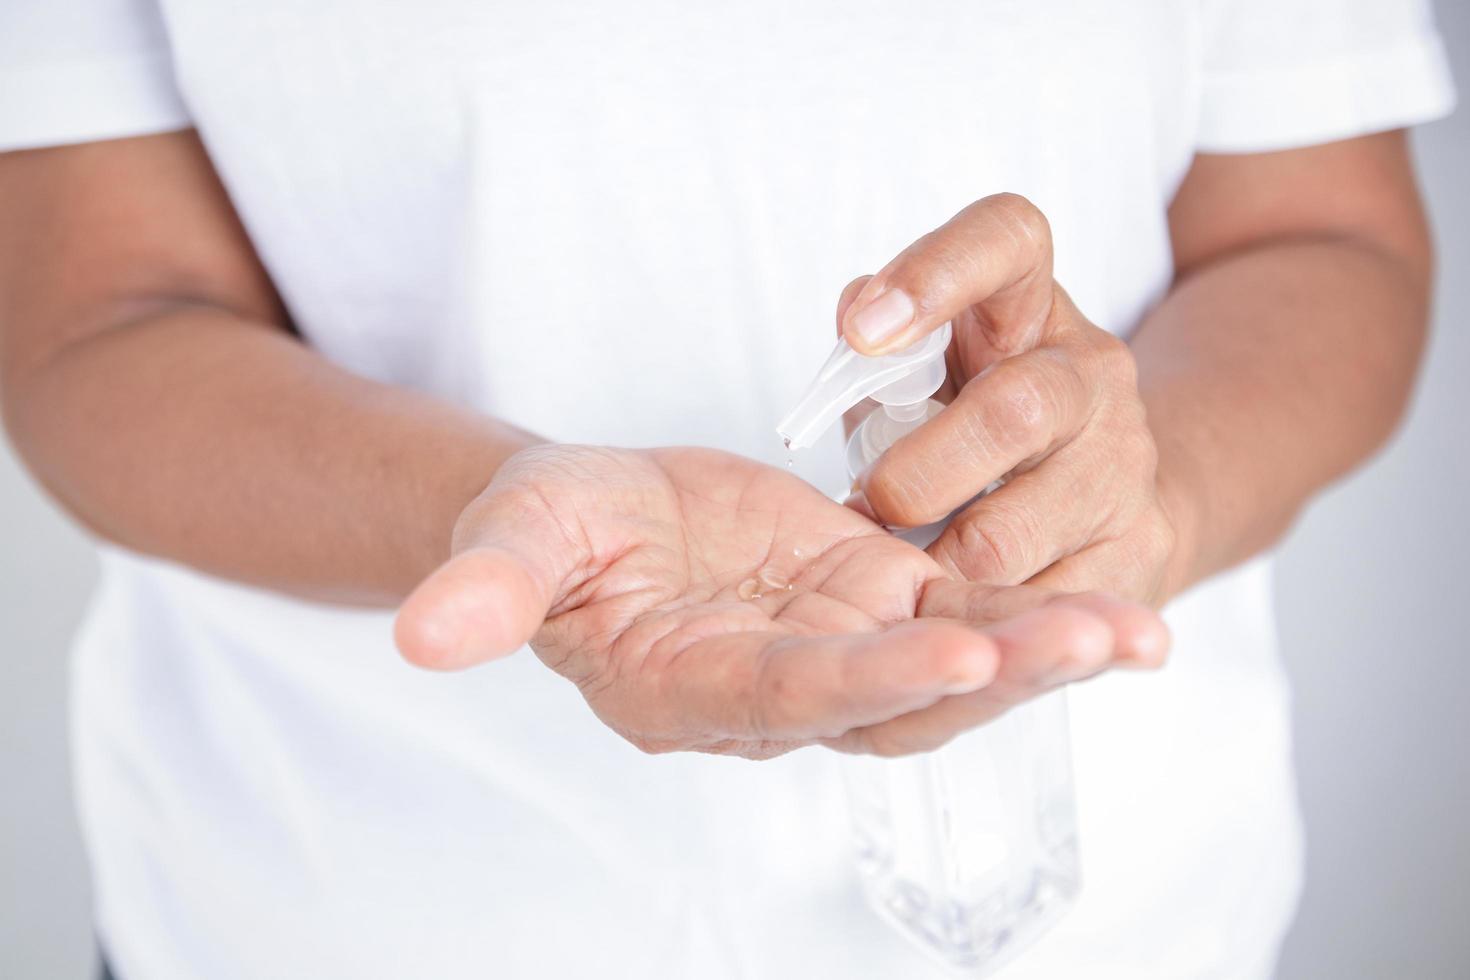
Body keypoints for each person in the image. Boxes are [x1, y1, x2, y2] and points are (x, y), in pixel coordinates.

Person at [0, 1, 1455, 978]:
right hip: (344, 908)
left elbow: (1318, 235)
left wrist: (1149, 501)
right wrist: (494, 507)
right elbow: (92, 325)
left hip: (1129, 924)